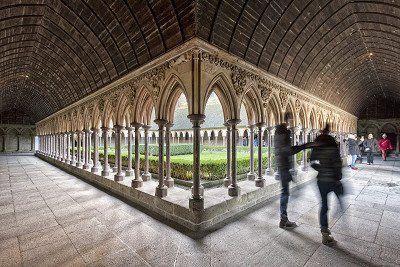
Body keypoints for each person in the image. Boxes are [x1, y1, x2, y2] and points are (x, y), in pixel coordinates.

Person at [310, 124, 343, 246]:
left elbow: (312, 162)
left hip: (321, 181)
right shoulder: (332, 144)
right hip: (332, 180)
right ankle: (326, 232)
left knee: (324, 205)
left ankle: (324, 231)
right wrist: (338, 177)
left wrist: (321, 169)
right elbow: (337, 164)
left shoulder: (317, 145)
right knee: (339, 202)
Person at [275, 123, 312, 229]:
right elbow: (288, 151)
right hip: (284, 168)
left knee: (286, 193)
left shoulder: (279, 136)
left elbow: (286, 150)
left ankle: (284, 218)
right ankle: (283, 220)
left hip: (283, 167)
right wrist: (303, 146)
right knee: (285, 193)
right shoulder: (283, 137)